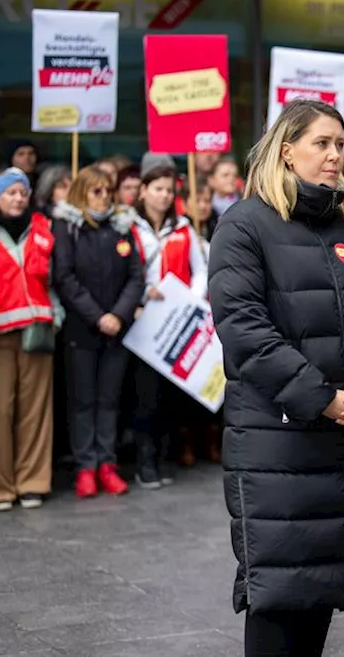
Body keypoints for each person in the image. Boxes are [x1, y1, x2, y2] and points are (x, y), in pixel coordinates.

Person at [208, 99, 344, 656]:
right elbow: (244, 329)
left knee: (321, 589)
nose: (335, 155)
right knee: (279, 591)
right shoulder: (244, 224)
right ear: (286, 150)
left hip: (343, 441)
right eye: (322, 143)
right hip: (279, 441)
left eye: (340, 144)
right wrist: (320, 399)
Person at [0, 168, 63, 511]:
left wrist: (57, 315)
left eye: (23, 192)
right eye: (11, 193)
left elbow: (53, 280)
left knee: (35, 411)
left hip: (38, 330)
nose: (18, 198)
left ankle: (33, 483)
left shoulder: (43, 229)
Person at [51, 166, 144, 499]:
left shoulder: (121, 227)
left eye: (108, 191)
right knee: (82, 401)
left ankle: (107, 463)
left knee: (109, 400)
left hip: (116, 330)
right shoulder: (68, 227)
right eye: (96, 191)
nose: (105, 197)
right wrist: (97, 316)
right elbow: (65, 277)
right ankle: (85, 466)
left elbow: (136, 275)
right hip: (83, 329)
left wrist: (117, 315)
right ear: (81, 193)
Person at [128, 166, 209, 485]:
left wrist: (191, 297)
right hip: (142, 321)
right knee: (146, 395)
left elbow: (200, 269)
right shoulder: (129, 227)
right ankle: (145, 462)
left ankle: (163, 456)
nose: (163, 195)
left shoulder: (184, 228)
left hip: (178, 320)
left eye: (168, 190)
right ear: (143, 190)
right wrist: (140, 292)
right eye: (157, 189)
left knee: (171, 396)